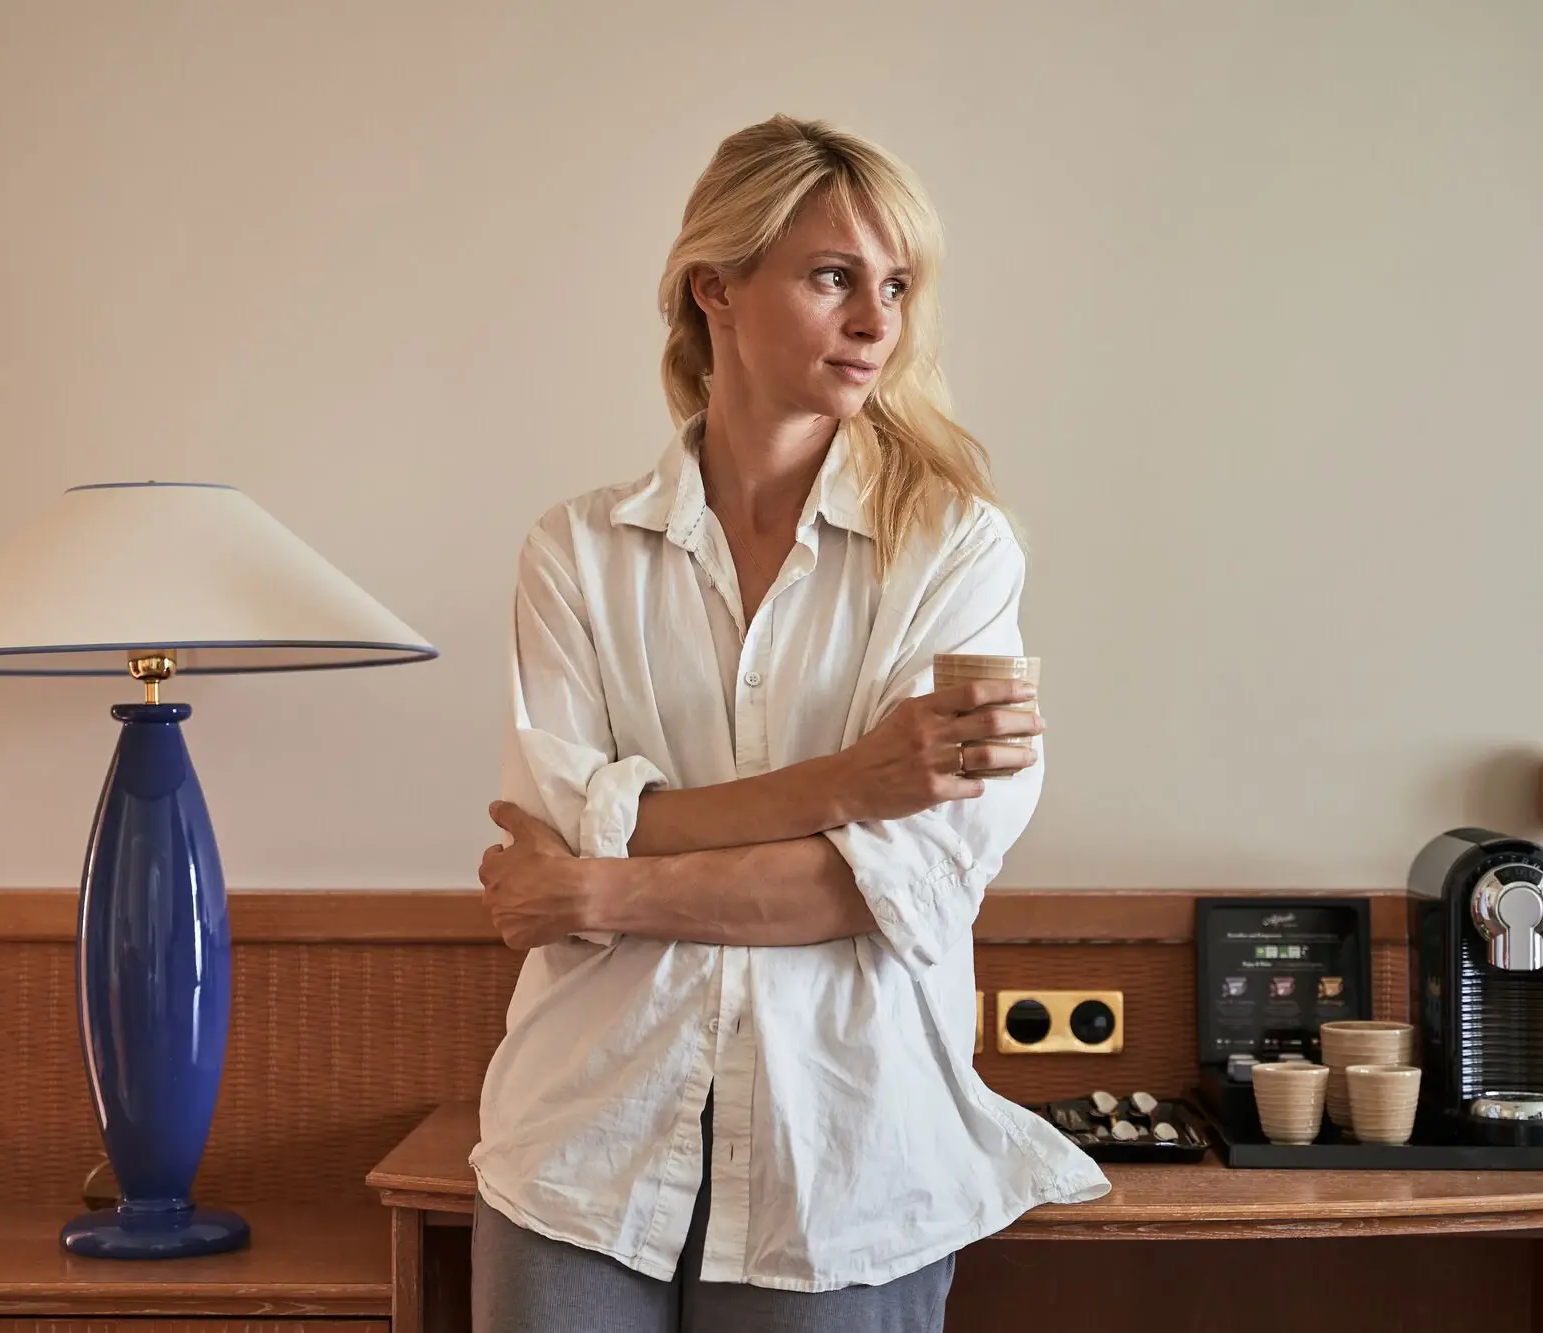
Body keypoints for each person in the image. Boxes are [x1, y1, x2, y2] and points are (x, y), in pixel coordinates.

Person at [471, 114, 1109, 1333]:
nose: (876, 319)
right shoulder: (574, 554)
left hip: (848, 1166)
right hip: (577, 1154)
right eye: (832, 277)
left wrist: (601, 887)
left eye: (896, 285)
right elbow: (550, 822)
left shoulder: (956, 553)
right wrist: (853, 780)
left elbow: (886, 888)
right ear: (714, 284)